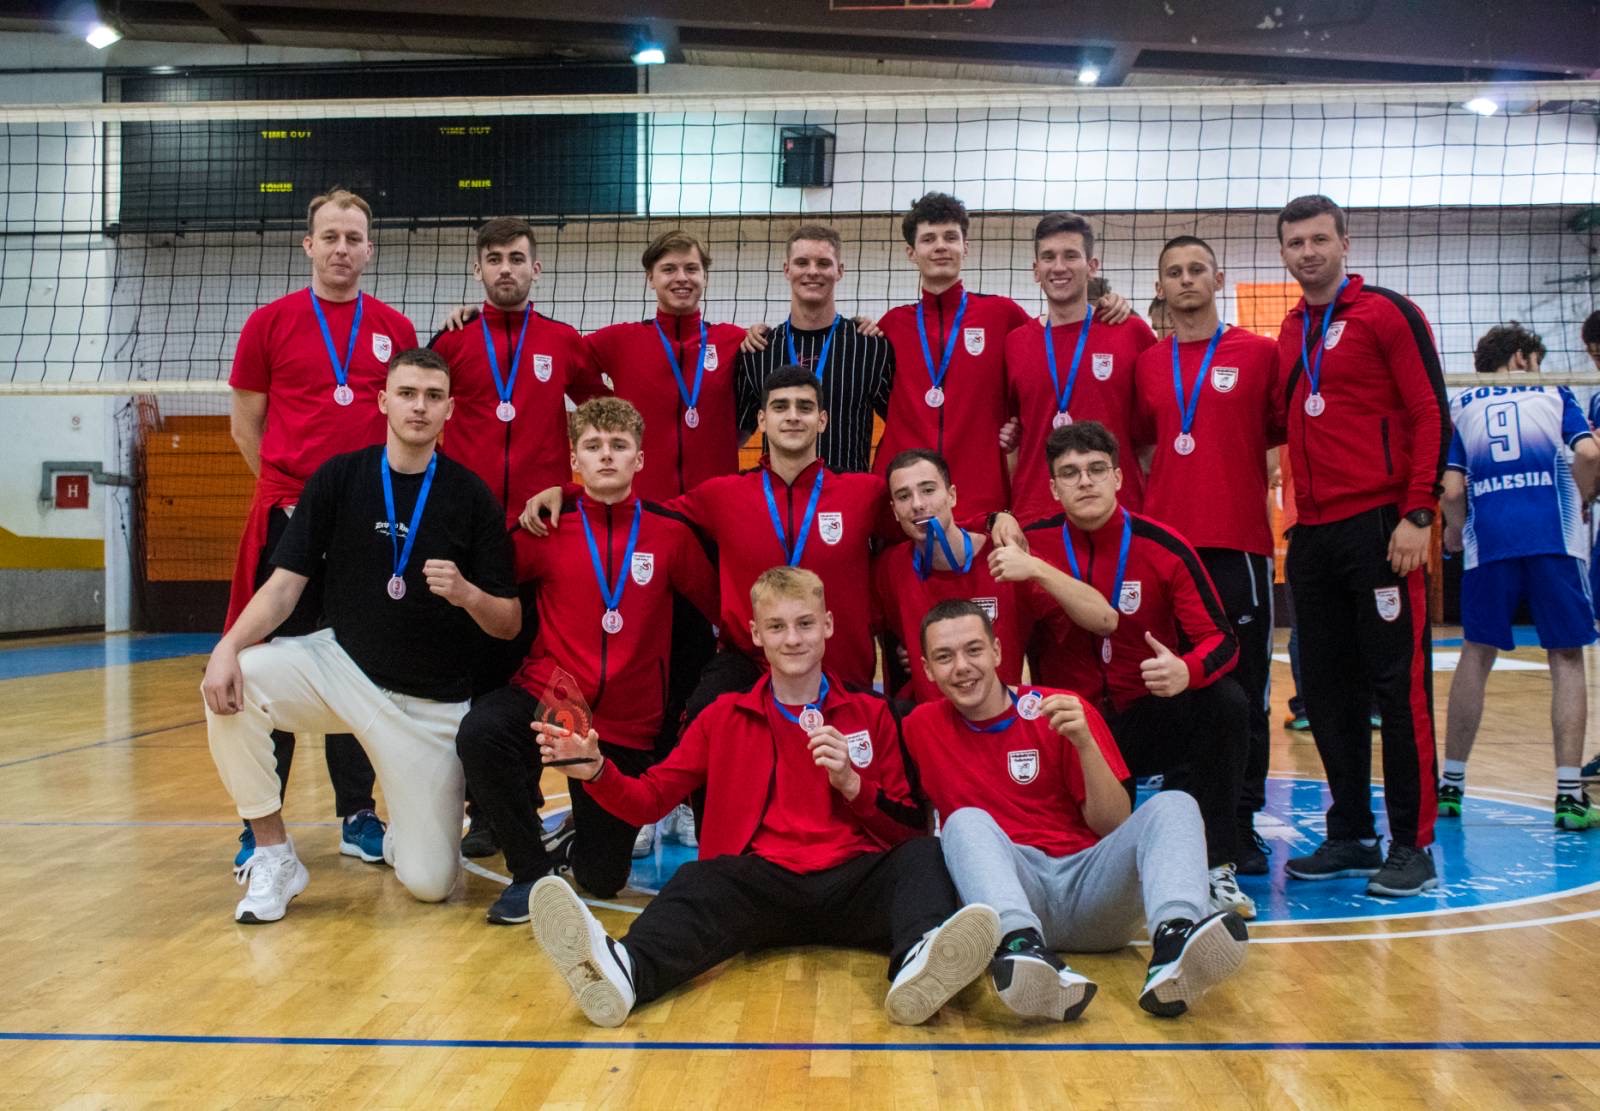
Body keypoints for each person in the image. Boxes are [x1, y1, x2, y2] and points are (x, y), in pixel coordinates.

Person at [526, 567, 1002, 1028]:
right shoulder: (722, 716)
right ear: (756, 634)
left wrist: (853, 785)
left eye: (805, 624)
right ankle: (625, 972)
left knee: (924, 856)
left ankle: (918, 965)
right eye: (777, 627)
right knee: (699, 880)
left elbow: (909, 828)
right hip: (760, 889)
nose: (792, 639)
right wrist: (598, 770)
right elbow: (650, 799)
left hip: (853, 885)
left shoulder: (871, 713)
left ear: (827, 626)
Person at [201, 348, 520, 923]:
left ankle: (409, 832)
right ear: (383, 401)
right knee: (236, 680)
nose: (419, 407)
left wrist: (468, 594)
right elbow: (283, 588)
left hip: (428, 706)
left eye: (432, 397)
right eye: (407, 394)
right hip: (342, 672)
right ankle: (273, 852)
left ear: (449, 409)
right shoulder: (339, 477)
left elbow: (509, 621)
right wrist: (227, 647)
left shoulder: (471, 496)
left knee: (430, 884)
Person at [903, 599, 1249, 1020]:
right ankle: (1021, 948)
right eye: (945, 657)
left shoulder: (1062, 708)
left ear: (997, 651)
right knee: (963, 822)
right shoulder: (918, 727)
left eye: (973, 650)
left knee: (1175, 803)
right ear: (926, 669)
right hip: (1012, 892)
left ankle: (1175, 939)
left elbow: (1114, 824)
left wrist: (1085, 744)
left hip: (1093, 889)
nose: (961, 666)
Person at [455, 398, 719, 923]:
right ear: (575, 460)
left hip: (630, 720)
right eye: (593, 446)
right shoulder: (545, 529)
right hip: (557, 698)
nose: (606, 456)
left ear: (639, 459)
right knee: (481, 731)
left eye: (619, 446)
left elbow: (718, 611)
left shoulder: (670, 535)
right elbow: (492, 583)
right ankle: (531, 874)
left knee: (602, 879)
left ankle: (577, 841)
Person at [224, 187, 417, 870]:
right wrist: (296, 500)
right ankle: (260, 824)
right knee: (263, 663)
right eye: (329, 236)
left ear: (369, 249)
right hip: (288, 520)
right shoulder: (268, 323)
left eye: (353, 237)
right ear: (308, 245)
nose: (341, 248)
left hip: (365, 528)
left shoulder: (394, 327)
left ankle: (357, 814)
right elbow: (244, 425)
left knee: (355, 667)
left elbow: (409, 415)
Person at [524, 366, 888, 712]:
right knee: (703, 714)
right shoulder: (722, 495)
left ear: (822, 420)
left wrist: (897, 632)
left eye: (804, 407)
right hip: (749, 664)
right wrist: (569, 491)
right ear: (762, 420)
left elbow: (906, 549)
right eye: (780, 407)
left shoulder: (865, 493)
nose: (793, 416)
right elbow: (634, 510)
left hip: (841, 666)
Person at [1272, 194, 1450, 898]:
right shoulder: (1291, 329)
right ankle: (1350, 833)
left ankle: (1413, 844)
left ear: (1345, 243)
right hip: (1312, 535)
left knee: (1398, 690)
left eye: (1319, 239)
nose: (1308, 253)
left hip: (1380, 526)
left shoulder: (1388, 313)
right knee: (1326, 691)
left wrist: (1419, 511)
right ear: (1284, 253)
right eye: (1296, 243)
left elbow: (1429, 410)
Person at [1010, 421, 1254, 919]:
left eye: (1097, 469)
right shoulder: (1029, 548)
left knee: (1225, 702)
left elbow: (1222, 640)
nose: (1085, 481)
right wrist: (997, 517)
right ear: (1053, 488)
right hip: (1072, 728)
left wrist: (1186, 670)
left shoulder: (1163, 545)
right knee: (1096, 857)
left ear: (1119, 478)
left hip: (1146, 714)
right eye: (1070, 473)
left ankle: (1215, 865)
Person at [430, 216, 609, 858]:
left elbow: (601, 414)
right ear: (478, 269)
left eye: (516, 258)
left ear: (536, 268)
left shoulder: (563, 341)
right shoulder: (453, 342)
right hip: (473, 536)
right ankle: (488, 810)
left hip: (545, 533)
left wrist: (575, 484)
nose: (505, 268)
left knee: (549, 672)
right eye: (494, 258)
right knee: (479, 678)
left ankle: (581, 803)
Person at [583, 229, 747, 848]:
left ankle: (684, 797)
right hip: (638, 532)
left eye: (692, 268)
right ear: (650, 278)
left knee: (700, 670)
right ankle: (647, 795)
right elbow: (553, 360)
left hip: (709, 533)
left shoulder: (735, 342)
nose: (682, 277)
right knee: (645, 668)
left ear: (705, 276)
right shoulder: (617, 342)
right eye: (670, 269)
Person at [1132, 235, 1282, 875]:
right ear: (1160, 287)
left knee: (1244, 690)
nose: (1186, 280)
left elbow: (1279, 440)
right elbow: (1143, 447)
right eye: (1174, 272)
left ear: (1218, 279)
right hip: (1168, 549)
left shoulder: (1262, 355)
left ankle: (1239, 822)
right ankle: (1182, 816)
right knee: (1176, 684)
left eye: (1197, 269)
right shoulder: (1147, 363)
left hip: (1239, 546)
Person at [1438, 323, 1599, 828]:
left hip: (1489, 543)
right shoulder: (1553, 393)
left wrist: (1454, 531)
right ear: (1522, 359)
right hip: (1555, 538)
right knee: (1566, 657)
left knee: (1476, 653)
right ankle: (1569, 795)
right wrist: (1588, 495)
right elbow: (1589, 453)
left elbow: (1451, 489)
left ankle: (1451, 786)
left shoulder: (1463, 405)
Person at [872, 192, 1034, 516]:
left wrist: (1102, 311)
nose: (940, 246)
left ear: (966, 247)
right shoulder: (891, 325)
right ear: (911, 252)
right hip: (907, 503)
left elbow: (1054, 345)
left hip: (980, 497)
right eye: (928, 239)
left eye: (950, 237)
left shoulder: (1002, 315)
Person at [1005, 213, 1157, 525]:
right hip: (1037, 514)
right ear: (1036, 270)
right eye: (1048, 257)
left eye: (1071, 255)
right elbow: (1010, 434)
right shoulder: (1015, 343)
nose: (1059, 266)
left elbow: (1153, 434)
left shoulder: (1131, 332)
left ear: (1092, 265)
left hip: (1119, 511)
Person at [874, 449, 1034, 703]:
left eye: (928, 490)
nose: (917, 504)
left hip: (1003, 717)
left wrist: (998, 518)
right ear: (894, 510)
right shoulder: (890, 568)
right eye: (904, 496)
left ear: (952, 495)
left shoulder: (1006, 554)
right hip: (931, 721)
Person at [737, 224, 894, 474]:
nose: (812, 271)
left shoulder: (870, 347)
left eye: (823, 263)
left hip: (849, 492)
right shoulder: (760, 349)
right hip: (778, 494)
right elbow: (739, 433)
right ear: (787, 269)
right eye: (802, 263)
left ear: (839, 270)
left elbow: (902, 426)